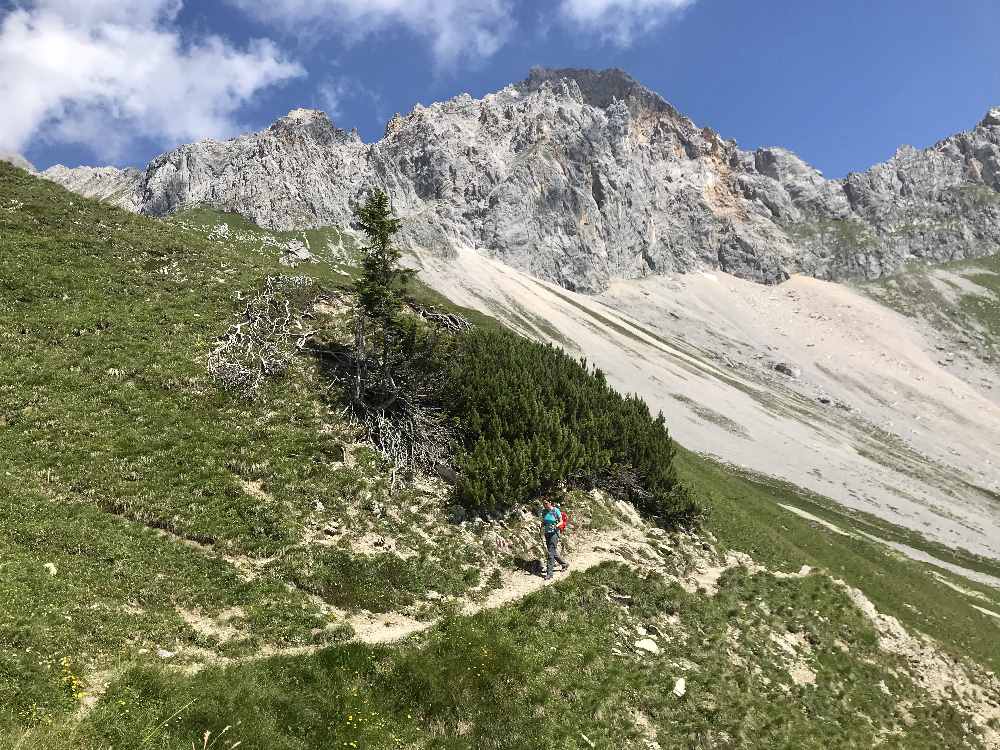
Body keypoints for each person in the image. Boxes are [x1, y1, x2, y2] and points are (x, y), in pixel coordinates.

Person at [540, 498, 569, 580]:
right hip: (547, 533)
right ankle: (564, 564)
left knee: (550, 553)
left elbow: (561, 521)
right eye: (543, 503)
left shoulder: (556, 510)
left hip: (554, 533)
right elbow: (544, 521)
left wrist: (556, 526)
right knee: (552, 551)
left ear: (550, 502)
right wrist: (541, 527)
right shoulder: (544, 511)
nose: (544, 505)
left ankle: (549, 573)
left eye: (546, 503)